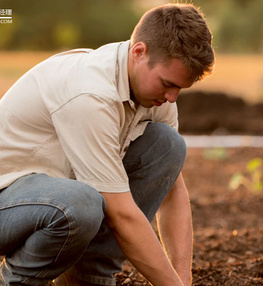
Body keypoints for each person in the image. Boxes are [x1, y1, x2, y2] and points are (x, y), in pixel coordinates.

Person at [0, 3, 214, 286]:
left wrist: (183, 280)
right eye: (167, 83)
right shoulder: (90, 94)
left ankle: (87, 279)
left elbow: (172, 191)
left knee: (167, 145)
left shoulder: (155, 95)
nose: (172, 97)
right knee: (80, 204)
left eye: (179, 89)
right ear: (139, 52)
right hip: (8, 203)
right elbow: (121, 214)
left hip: (47, 196)